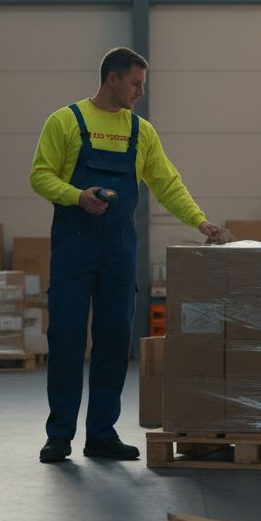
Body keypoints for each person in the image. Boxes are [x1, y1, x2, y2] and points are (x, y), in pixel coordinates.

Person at [30, 47, 223, 463]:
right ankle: (59, 435)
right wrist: (77, 196)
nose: (140, 92)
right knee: (66, 339)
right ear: (112, 78)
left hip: (118, 252)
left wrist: (199, 221)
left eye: (143, 85)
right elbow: (40, 176)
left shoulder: (141, 132)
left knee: (115, 341)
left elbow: (167, 183)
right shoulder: (66, 121)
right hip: (74, 249)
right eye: (135, 83)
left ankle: (101, 434)